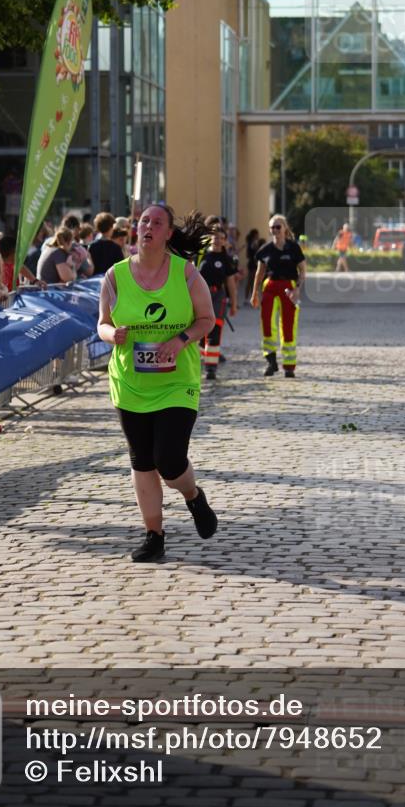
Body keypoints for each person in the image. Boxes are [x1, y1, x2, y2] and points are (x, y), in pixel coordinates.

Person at [97, 204, 217, 563]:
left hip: (176, 382)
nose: (148, 226)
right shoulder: (115, 276)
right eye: (144, 221)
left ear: (168, 234)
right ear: (136, 230)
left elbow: (207, 319)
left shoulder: (187, 274)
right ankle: (154, 535)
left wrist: (180, 340)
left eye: (157, 222)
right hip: (130, 383)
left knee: (169, 459)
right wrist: (111, 334)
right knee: (142, 460)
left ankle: (193, 496)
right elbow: (101, 323)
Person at [251, 214, 306, 378]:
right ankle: (271, 361)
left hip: (288, 287)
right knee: (267, 323)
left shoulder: (293, 248)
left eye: (278, 227)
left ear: (285, 229)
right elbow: (259, 273)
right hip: (270, 286)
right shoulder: (265, 250)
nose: (275, 230)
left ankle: (289, 366)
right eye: (272, 227)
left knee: (288, 325)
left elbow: (303, 270)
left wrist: (297, 289)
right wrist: (255, 292)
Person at [198, 225, 238, 380]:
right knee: (201, 331)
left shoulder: (226, 259)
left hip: (219, 296)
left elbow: (231, 283)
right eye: (215, 237)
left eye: (221, 238)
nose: (217, 241)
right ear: (210, 238)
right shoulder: (201, 255)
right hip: (201, 295)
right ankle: (206, 355)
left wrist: (233, 303)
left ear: (225, 241)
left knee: (214, 331)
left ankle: (211, 368)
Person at [244, 228, 264, 304]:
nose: (258, 235)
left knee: (252, 282)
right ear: (254, 235)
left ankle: (251, 297)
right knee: (250, 281)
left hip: (253, 263)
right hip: (252, 264)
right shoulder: (252, 243)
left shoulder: (251, 242)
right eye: (257, 234)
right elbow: (253, 253)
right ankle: (247, 298)